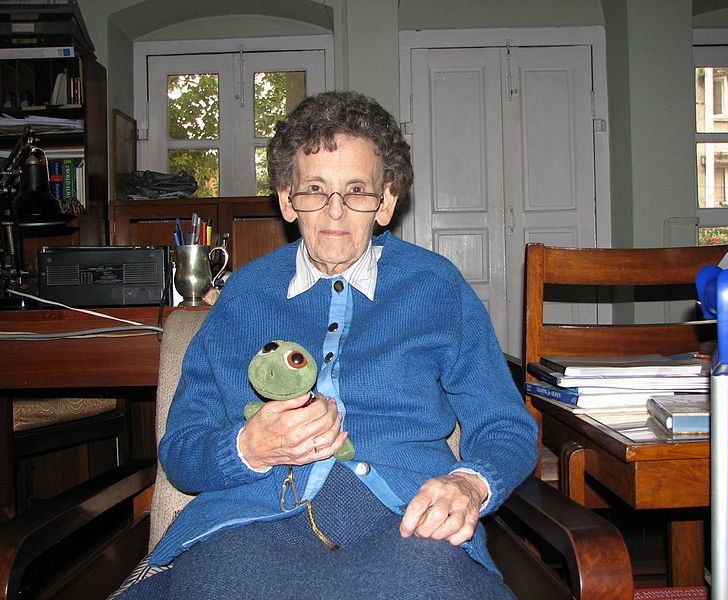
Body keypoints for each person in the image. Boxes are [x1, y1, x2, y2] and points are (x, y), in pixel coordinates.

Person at [117, 91, 537, 599]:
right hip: (250, 524)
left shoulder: (436, 288)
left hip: (409, 523)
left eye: (356, 190)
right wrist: (246, 448)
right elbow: (182, 450)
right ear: (286, 198)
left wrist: (470, 483)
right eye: (315, 189)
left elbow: (506, 425)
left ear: (386, 201)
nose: (335, 211)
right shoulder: (243, 298)